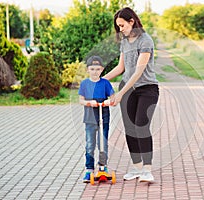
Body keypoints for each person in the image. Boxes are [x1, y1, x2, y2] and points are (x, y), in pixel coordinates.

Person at [103, 7, 159, 182]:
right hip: (128, 89)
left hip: (147, 89)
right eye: (118, 26)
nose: (120, 29)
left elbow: (138, 73)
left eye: (122, 25)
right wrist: (99, 80)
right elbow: (121, 68)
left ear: (131, 22)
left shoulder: (145, 40)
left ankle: (147, 170)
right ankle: (136, 167)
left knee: (141, 125)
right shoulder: (125, 42)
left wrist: (120, 94)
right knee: (129, 129)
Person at [78, 55, 115, 183]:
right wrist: (89, 102)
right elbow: (80, 100)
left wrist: (109, 101)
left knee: (102, 143)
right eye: (92, 69)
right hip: (90, 118)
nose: (95, 72)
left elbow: (113, 97)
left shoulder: (105, 83)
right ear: (88, 69)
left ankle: (103, 167)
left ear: (102, 69)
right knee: (90, 144)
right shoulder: (84, 84)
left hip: (103, 116)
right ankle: (89, 170)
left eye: (97, 69)